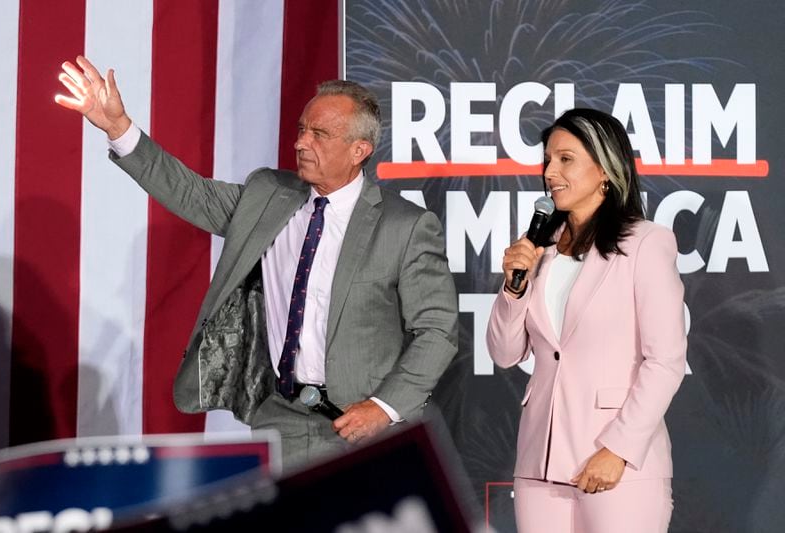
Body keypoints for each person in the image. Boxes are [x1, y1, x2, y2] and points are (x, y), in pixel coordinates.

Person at [55, 56, 458, 471]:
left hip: (358, 427)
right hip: (276, 419)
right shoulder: (268, 194)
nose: (301, 143)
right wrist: (119, 129)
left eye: (320, 134)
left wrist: (384, 407)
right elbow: (190, 193)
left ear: (359, 150)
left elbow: (438, 330)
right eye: (302, 129)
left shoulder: (404, 226)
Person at [486, 108, 686, 532]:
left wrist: (618, 449)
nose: (549, 172)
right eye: (547, 160)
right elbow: (504, 353)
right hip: (539, 462)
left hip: (617, 462)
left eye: (565, 159)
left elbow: (665, 360)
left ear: (605, 170)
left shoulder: (646, 243)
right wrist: (514, 288)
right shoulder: (541, 250)